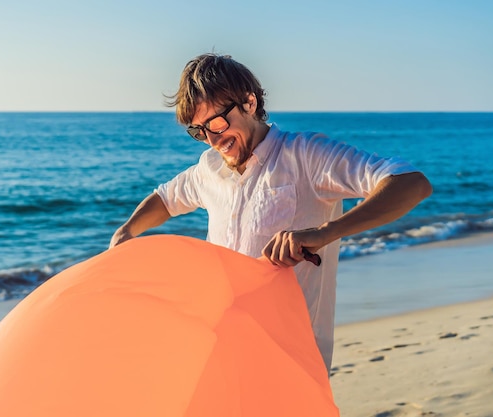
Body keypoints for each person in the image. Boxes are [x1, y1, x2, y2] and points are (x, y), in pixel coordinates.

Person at [109, 53, 432, 373]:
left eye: (216, 123)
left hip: (289, 356)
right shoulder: (208, 169)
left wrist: (326, 232)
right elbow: (165, 199)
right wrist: (127, 231)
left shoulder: (306, 155)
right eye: (198, 131)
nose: (212, 139)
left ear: (249, 103)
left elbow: (410, 184)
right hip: (223, 345)